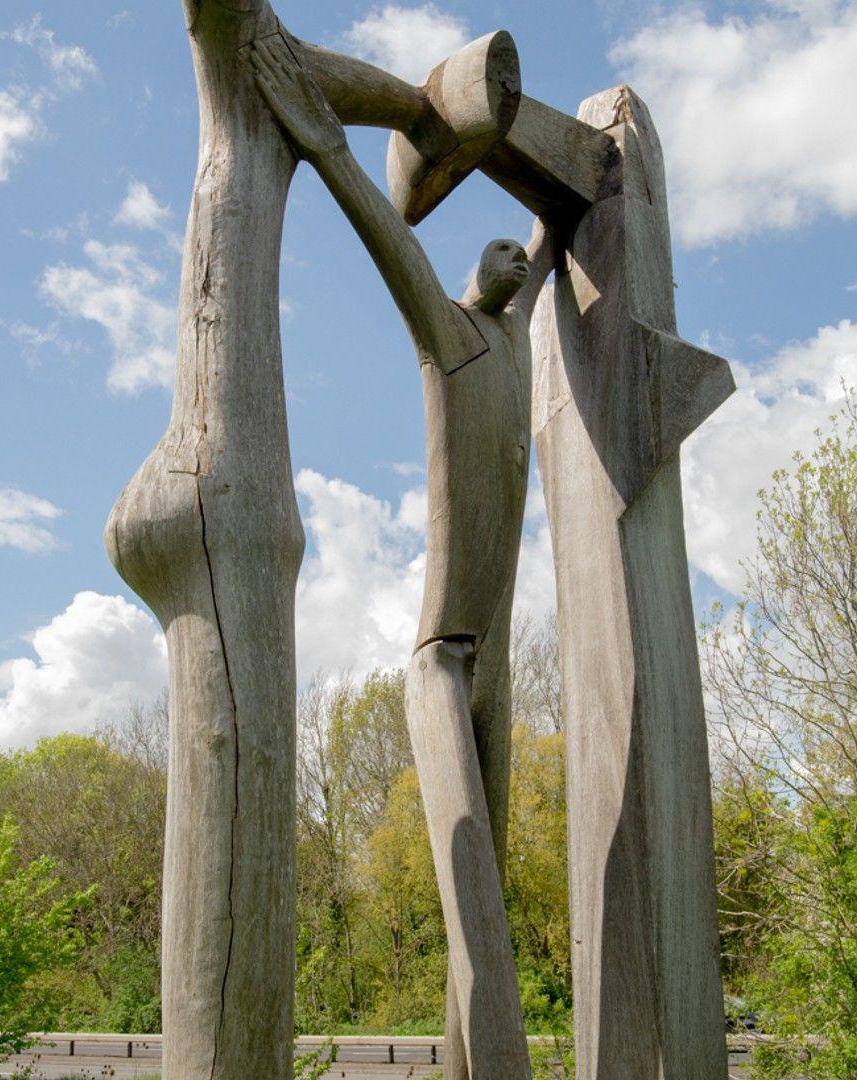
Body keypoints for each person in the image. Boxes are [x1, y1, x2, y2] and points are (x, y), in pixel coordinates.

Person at [246, 35, 547, 1080]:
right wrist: (324, 142)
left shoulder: (518, 356)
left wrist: (562, 186)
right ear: (475, 271)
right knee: (478, 911)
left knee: (496, 888)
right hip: (441, 655)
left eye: (523, 254)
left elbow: (554, 251)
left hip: (499, 657)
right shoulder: (457, 338)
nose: (514, 258)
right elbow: (390, 237)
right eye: (499, 251)